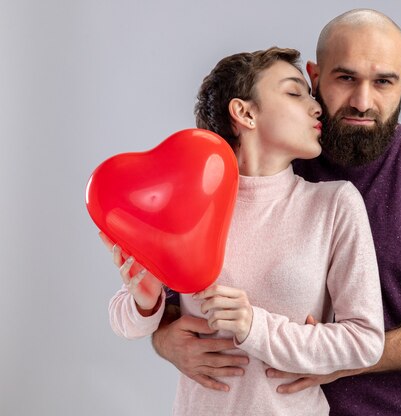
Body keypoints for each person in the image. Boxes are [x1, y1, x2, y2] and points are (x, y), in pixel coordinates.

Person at [152, 9, 401, 416]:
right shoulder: (269, 158)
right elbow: (173, 289)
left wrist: (339, 358)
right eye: (345, 78)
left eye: (383, 82)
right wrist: (165, 337)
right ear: (315, 77)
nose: (362, 100)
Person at [105, 46, 384, 416]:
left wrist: (256, 326)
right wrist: (145, 301)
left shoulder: (334, 205)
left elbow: (365, 342)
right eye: (294, 92)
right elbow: (126, 324)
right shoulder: (192, 202)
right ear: (245, 112)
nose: (317, 108)